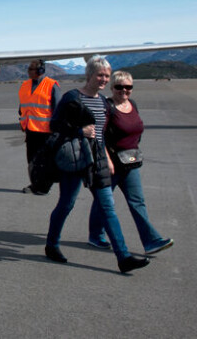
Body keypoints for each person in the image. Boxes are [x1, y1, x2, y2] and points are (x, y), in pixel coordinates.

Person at [44, 56, 150, 273]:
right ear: (89, 75)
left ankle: (123, 258)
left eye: (107, 76)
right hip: (75, 158)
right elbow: (54, 124)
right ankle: (52, 245)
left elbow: (102, 134)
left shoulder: (103, 101)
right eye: (100, 75)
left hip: (98, 159)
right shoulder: (72, 97)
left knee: (108, 207)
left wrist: (108, 159)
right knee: (66, 204)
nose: (103, 79)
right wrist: (78, 131)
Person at [87, 70, 173, 254]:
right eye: (119, 87)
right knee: (104, 202)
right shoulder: (107, 106)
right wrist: (107, 160)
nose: (124, 90)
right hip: (110, 164)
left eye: (128, 87)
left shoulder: (132, 105)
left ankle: (151, 241)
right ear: (112, 87)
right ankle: (95, 235)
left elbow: (136, 130)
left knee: (137, 202)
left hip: (130, 162)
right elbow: (99, 136)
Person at [18, 59, 60, 194]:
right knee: (32, 160)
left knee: (45, 161)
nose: (29, 72)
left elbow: (57, 108)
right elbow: (23, 106)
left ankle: (43, 186)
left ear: (40, 71)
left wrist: (57, 130)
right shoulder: (25, 85)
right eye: (29, 69)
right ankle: (36, 184)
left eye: (31, 69)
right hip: (30, 129)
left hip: (46, 131)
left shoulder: (51, 85)